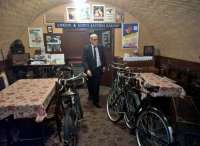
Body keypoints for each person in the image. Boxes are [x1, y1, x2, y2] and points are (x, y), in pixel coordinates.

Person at [82, 33, 106, 108]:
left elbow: (103, 57)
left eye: (97, 39)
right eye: (94, 39)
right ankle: (91, 95)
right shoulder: (86, 48)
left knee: (96, 86)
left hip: (98, 69)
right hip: (89, 70)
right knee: (90, 84)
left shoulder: (101, 47)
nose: (96, 41)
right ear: (90, 40)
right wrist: (87, 69)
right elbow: (84, 60)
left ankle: (96, 101)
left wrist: (104, 65)